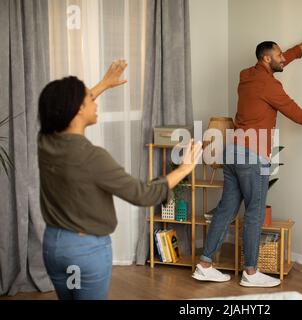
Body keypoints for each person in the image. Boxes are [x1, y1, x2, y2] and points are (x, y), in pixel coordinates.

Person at [192, 22, 302, 287]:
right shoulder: (270, 86)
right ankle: (251, 273)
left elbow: (282, 60)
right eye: (278, 55)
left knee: (226, 210)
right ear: (266, 59)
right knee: (254, 213)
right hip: (253, 155)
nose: (282, 59)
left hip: (233, 152)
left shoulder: (246, 75)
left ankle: (205, 264)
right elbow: (297, 114)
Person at [38, 60, 202, 300]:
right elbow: (143, 194)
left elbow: (63, 110)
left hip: (55, 247)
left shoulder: (46, 142)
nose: (95, 102)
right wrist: (185, 168)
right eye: (90, 99)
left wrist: (103, 84)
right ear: (77, 109)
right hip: (84, 252)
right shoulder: (92, 157)